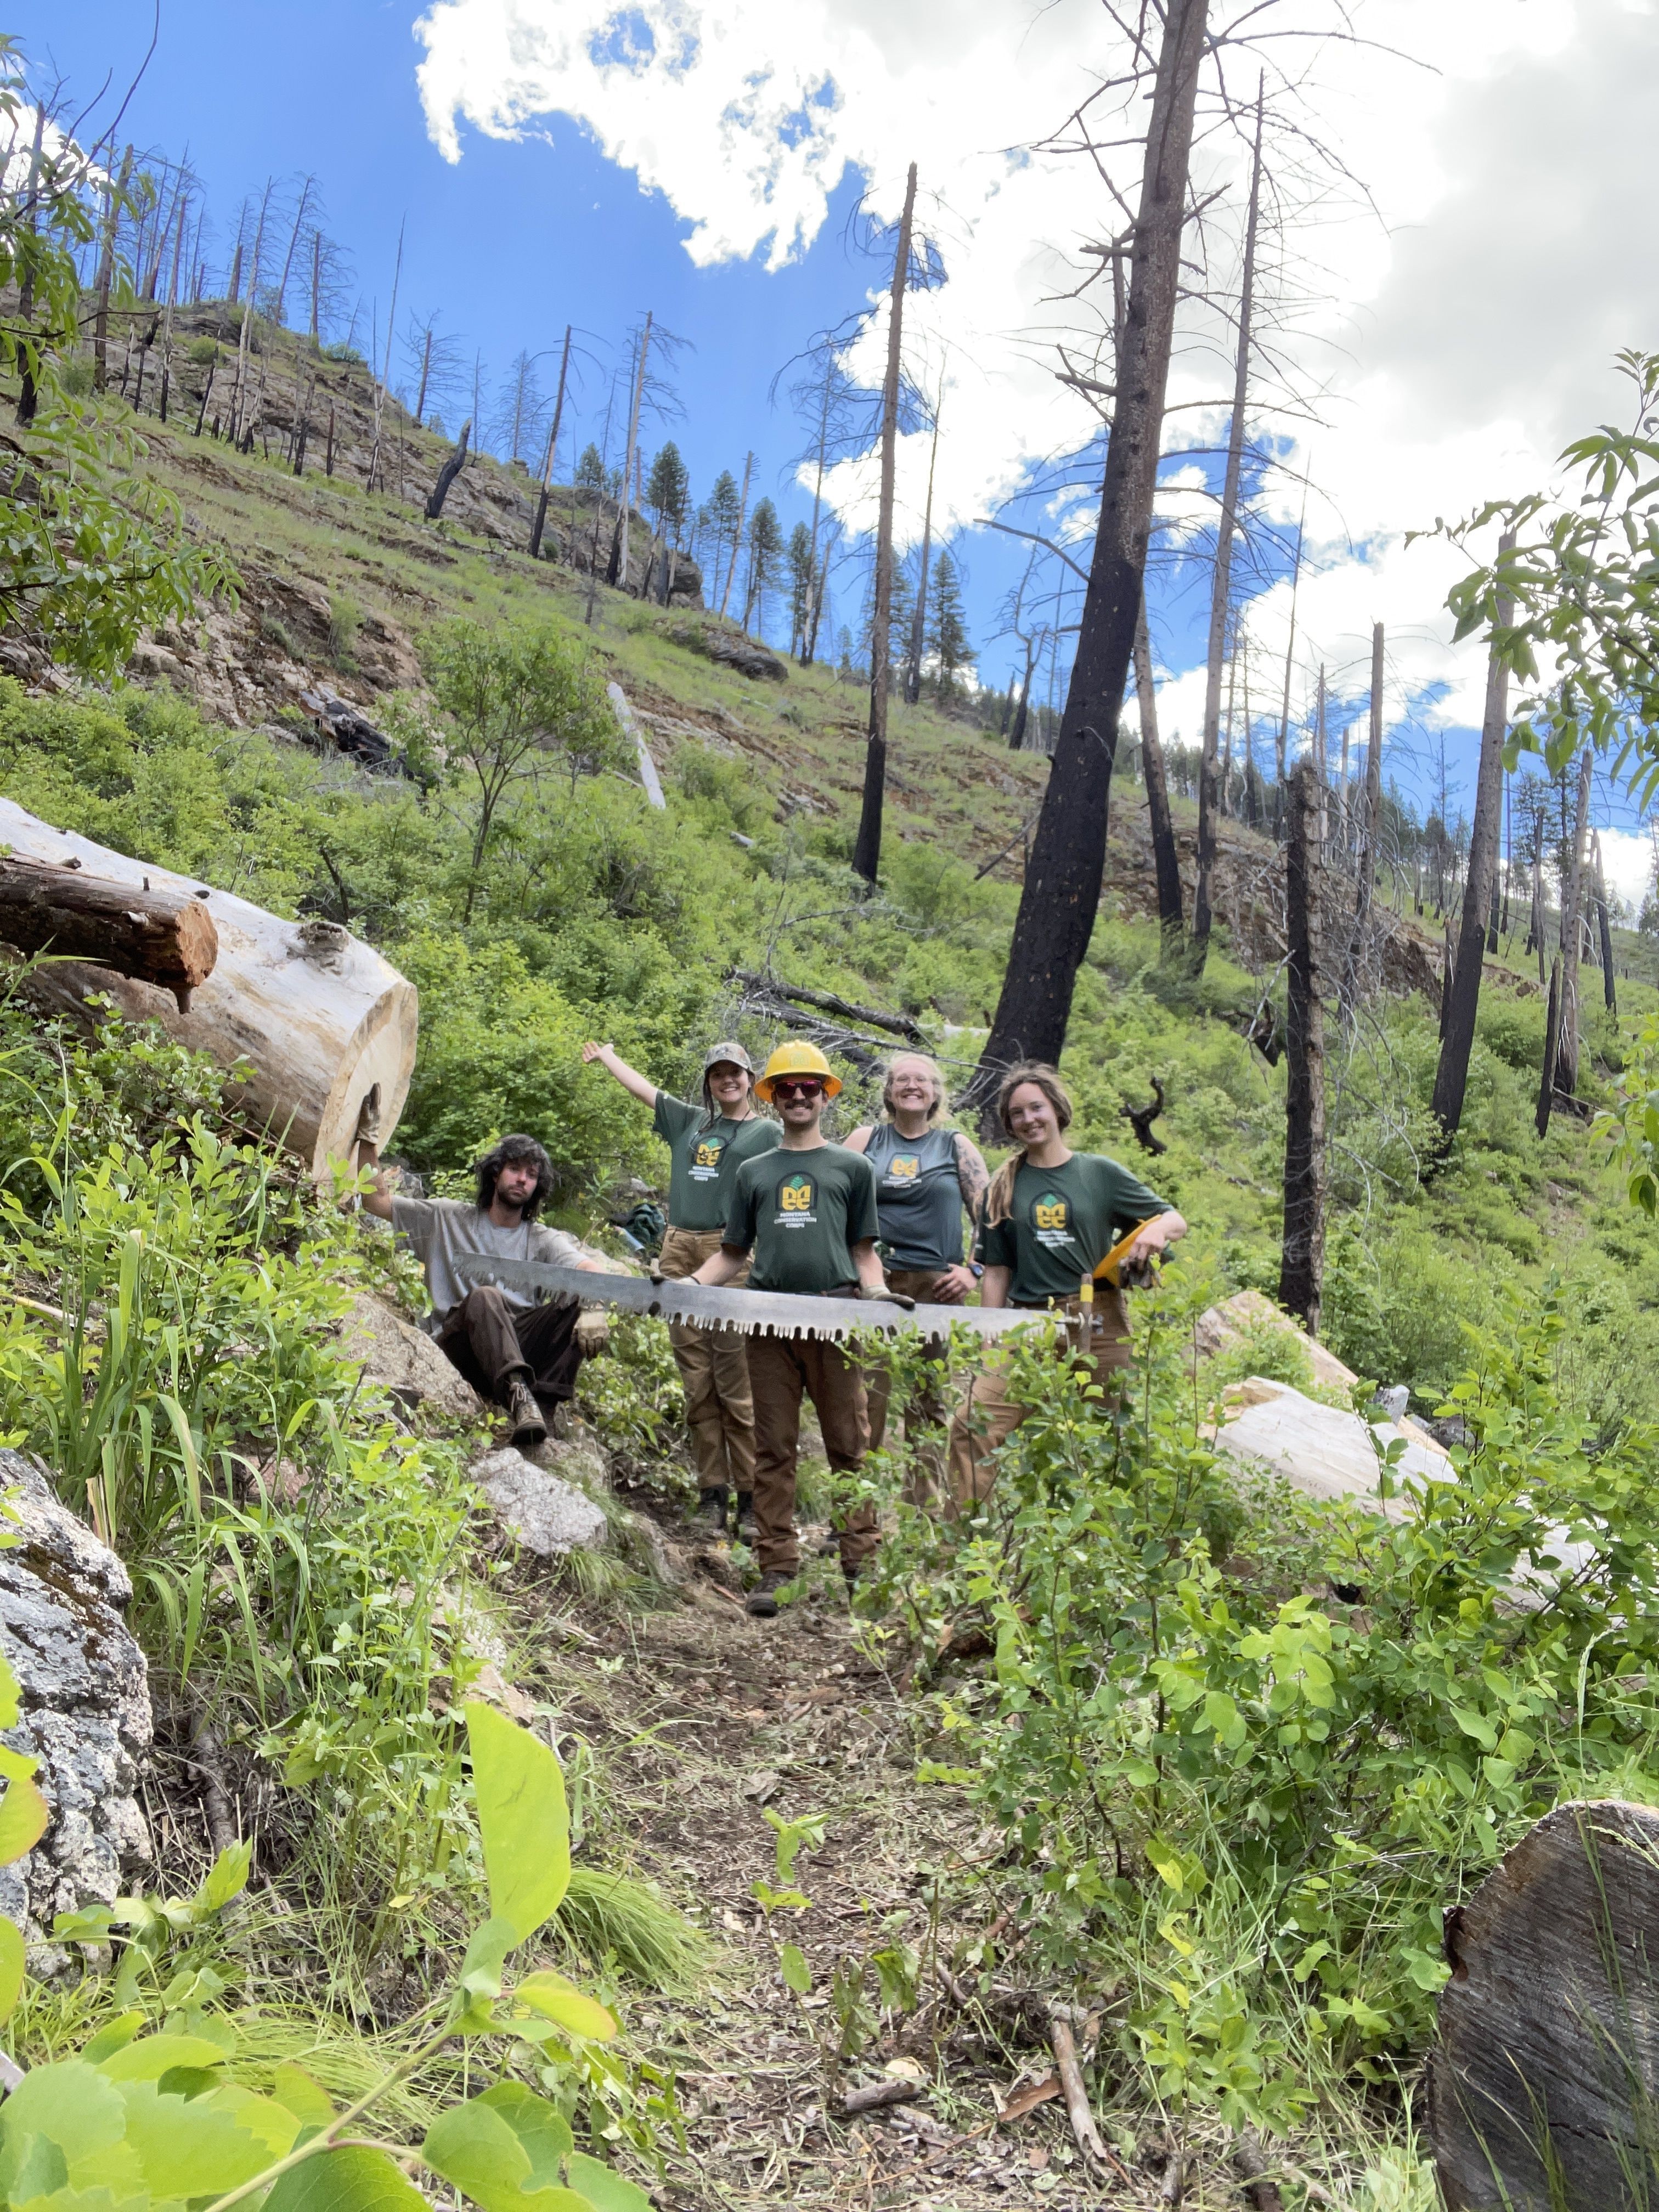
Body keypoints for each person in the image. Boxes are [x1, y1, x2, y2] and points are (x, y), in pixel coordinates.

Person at [687, 1042, 887, 1618]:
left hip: (837, 1317)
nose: (799, 1096)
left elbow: (863, 1250)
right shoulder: (754, 1171)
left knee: (850, 1446)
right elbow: (732, 1253)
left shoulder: (854, 1168)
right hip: (768, 1321)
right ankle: (776, 1566)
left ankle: (862, 1566)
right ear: (771, 1097)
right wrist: (693, 1286)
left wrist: (875, 1295)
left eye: (810, 1088)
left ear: (826, 1096)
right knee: (773, 1447)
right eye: (788, 1088)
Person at [946, 1063, 1187, 1506]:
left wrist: (1154, 1232)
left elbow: (1175, 1220)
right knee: (973, 1423)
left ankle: (1099, 1556)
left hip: (1099, 1320)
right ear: (1009, 1124)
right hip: (1029, 1325)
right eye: (1017, 1113)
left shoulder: (1098, 1173)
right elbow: (996, 1271)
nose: (1029, 1119)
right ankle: (959, 1551)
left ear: (1057, 1110)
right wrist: (990, 1345)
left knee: (1105, 1444)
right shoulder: (1002, 1185)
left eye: (1036, 1107)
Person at [581, 1038, 780, 1534]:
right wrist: (608, 1055)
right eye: (718, 1073)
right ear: (710, 1082)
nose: (727, 1080)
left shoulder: (766, 1133)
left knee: (736, 1379)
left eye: (735, 1072)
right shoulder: (692, 1122)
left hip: (730, 1252)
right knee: (696, 1379)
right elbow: (645, 1091)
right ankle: (712, 1496)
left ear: (750, 1077)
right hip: (676, 1248)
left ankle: (752, 1500)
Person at [361, 1133, 611, 1449]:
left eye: (531, 1175)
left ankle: (541, 1410)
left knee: (577, 1297)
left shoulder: (541, 1239)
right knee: (485, 1296)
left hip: (517, 1347)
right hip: (459, 1346)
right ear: (496, 1172)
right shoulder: (446, 1217)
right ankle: (519, 1397)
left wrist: (595, 1304)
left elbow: (589, 1270)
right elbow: (375, 1201)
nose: (522, 1180)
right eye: (515, 1169)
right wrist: (369, 1140)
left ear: (537, 1187)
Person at [843, 1053, 988, 1497]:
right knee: (865, 1399)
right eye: (902, 1079)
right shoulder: (866, 1140)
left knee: (930, 1400)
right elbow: (831, 1203)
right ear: (888, 1091)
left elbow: (992, 1215)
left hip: (938, 1287)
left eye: (921, 1080)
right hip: (873, 1284)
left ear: (935, 1093)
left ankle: (919, 1510)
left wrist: (974, 1269)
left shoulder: (955, 1146)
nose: (911, 1085)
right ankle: (856, 1510)